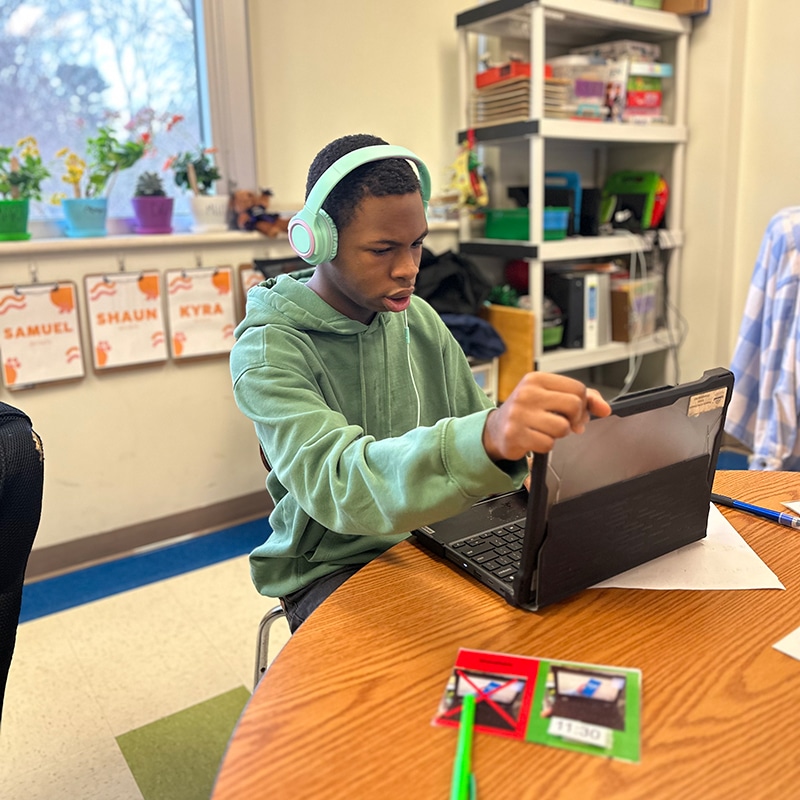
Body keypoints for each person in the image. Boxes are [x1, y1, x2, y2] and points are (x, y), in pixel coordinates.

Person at [230, 133, 611, 632]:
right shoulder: (268, 350)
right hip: (334, 565)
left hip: (436, 532)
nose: (409, 269)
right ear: (316, 241)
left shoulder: (418, 317)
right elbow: (340, 484)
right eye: (383, 249)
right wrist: (488, 436)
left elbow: (474, 421)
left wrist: (537, 440)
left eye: (417, 244)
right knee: (412, 688)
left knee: (564, 617)